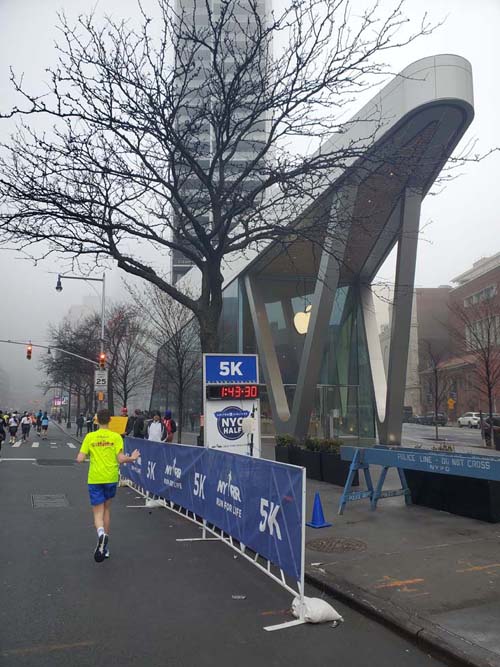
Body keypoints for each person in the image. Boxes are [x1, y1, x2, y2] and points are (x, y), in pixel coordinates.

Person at [76, 408, 140, 562]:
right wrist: (132, 458)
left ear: (96, 420)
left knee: (97, 512)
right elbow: (120, 459)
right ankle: (105, 548)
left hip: (95, 478)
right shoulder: (116, 437)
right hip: (111, 477)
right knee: (106, 510)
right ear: (110, 421)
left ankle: (101, 535)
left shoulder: (90, 437)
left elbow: (79, 458)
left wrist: (90, 455)